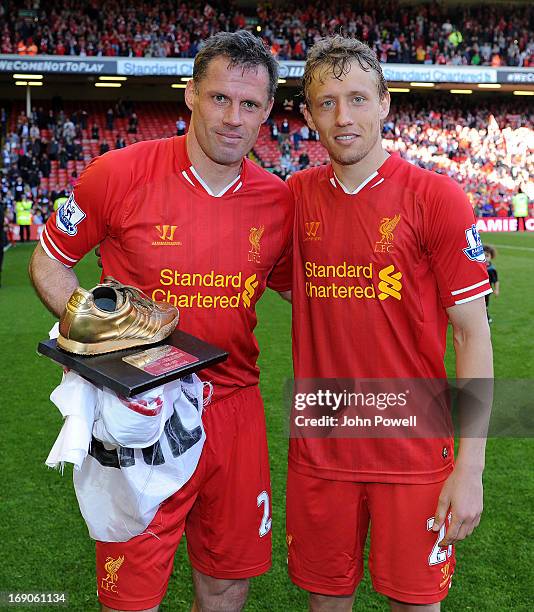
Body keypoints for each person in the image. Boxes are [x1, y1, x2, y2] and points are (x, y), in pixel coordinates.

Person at [29, 30, 293, 612]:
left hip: (235, 409)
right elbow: (50, 260)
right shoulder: (117, 174)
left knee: (227, 584)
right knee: (131, 595)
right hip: (141, 408)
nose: (233, 117)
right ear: (191, 95)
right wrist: (94, 342)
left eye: (249, 104)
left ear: (268, 111)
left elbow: (310, 291)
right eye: (219, 97)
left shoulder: (279, 203)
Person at [286, 35, 493, 611]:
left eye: (357, 99)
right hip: (321, 450)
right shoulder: (294, 199)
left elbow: (473, 334)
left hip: (413, 452)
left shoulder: (437, 198)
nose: (342, 116)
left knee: (414, 604)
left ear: (384, 103)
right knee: (326, 602)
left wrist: (470, 468)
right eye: (326, 103)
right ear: (307, 116)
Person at [483, 245, 499, 324]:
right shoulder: (479, 266)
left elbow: (496, 281)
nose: (485, 258)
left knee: (484, 306)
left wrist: (496, 290)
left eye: (487, 256)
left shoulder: (491, 269)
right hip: (478, 290)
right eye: (483, 255)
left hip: (486, 292)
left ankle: (487, 318)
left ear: (491, 257)